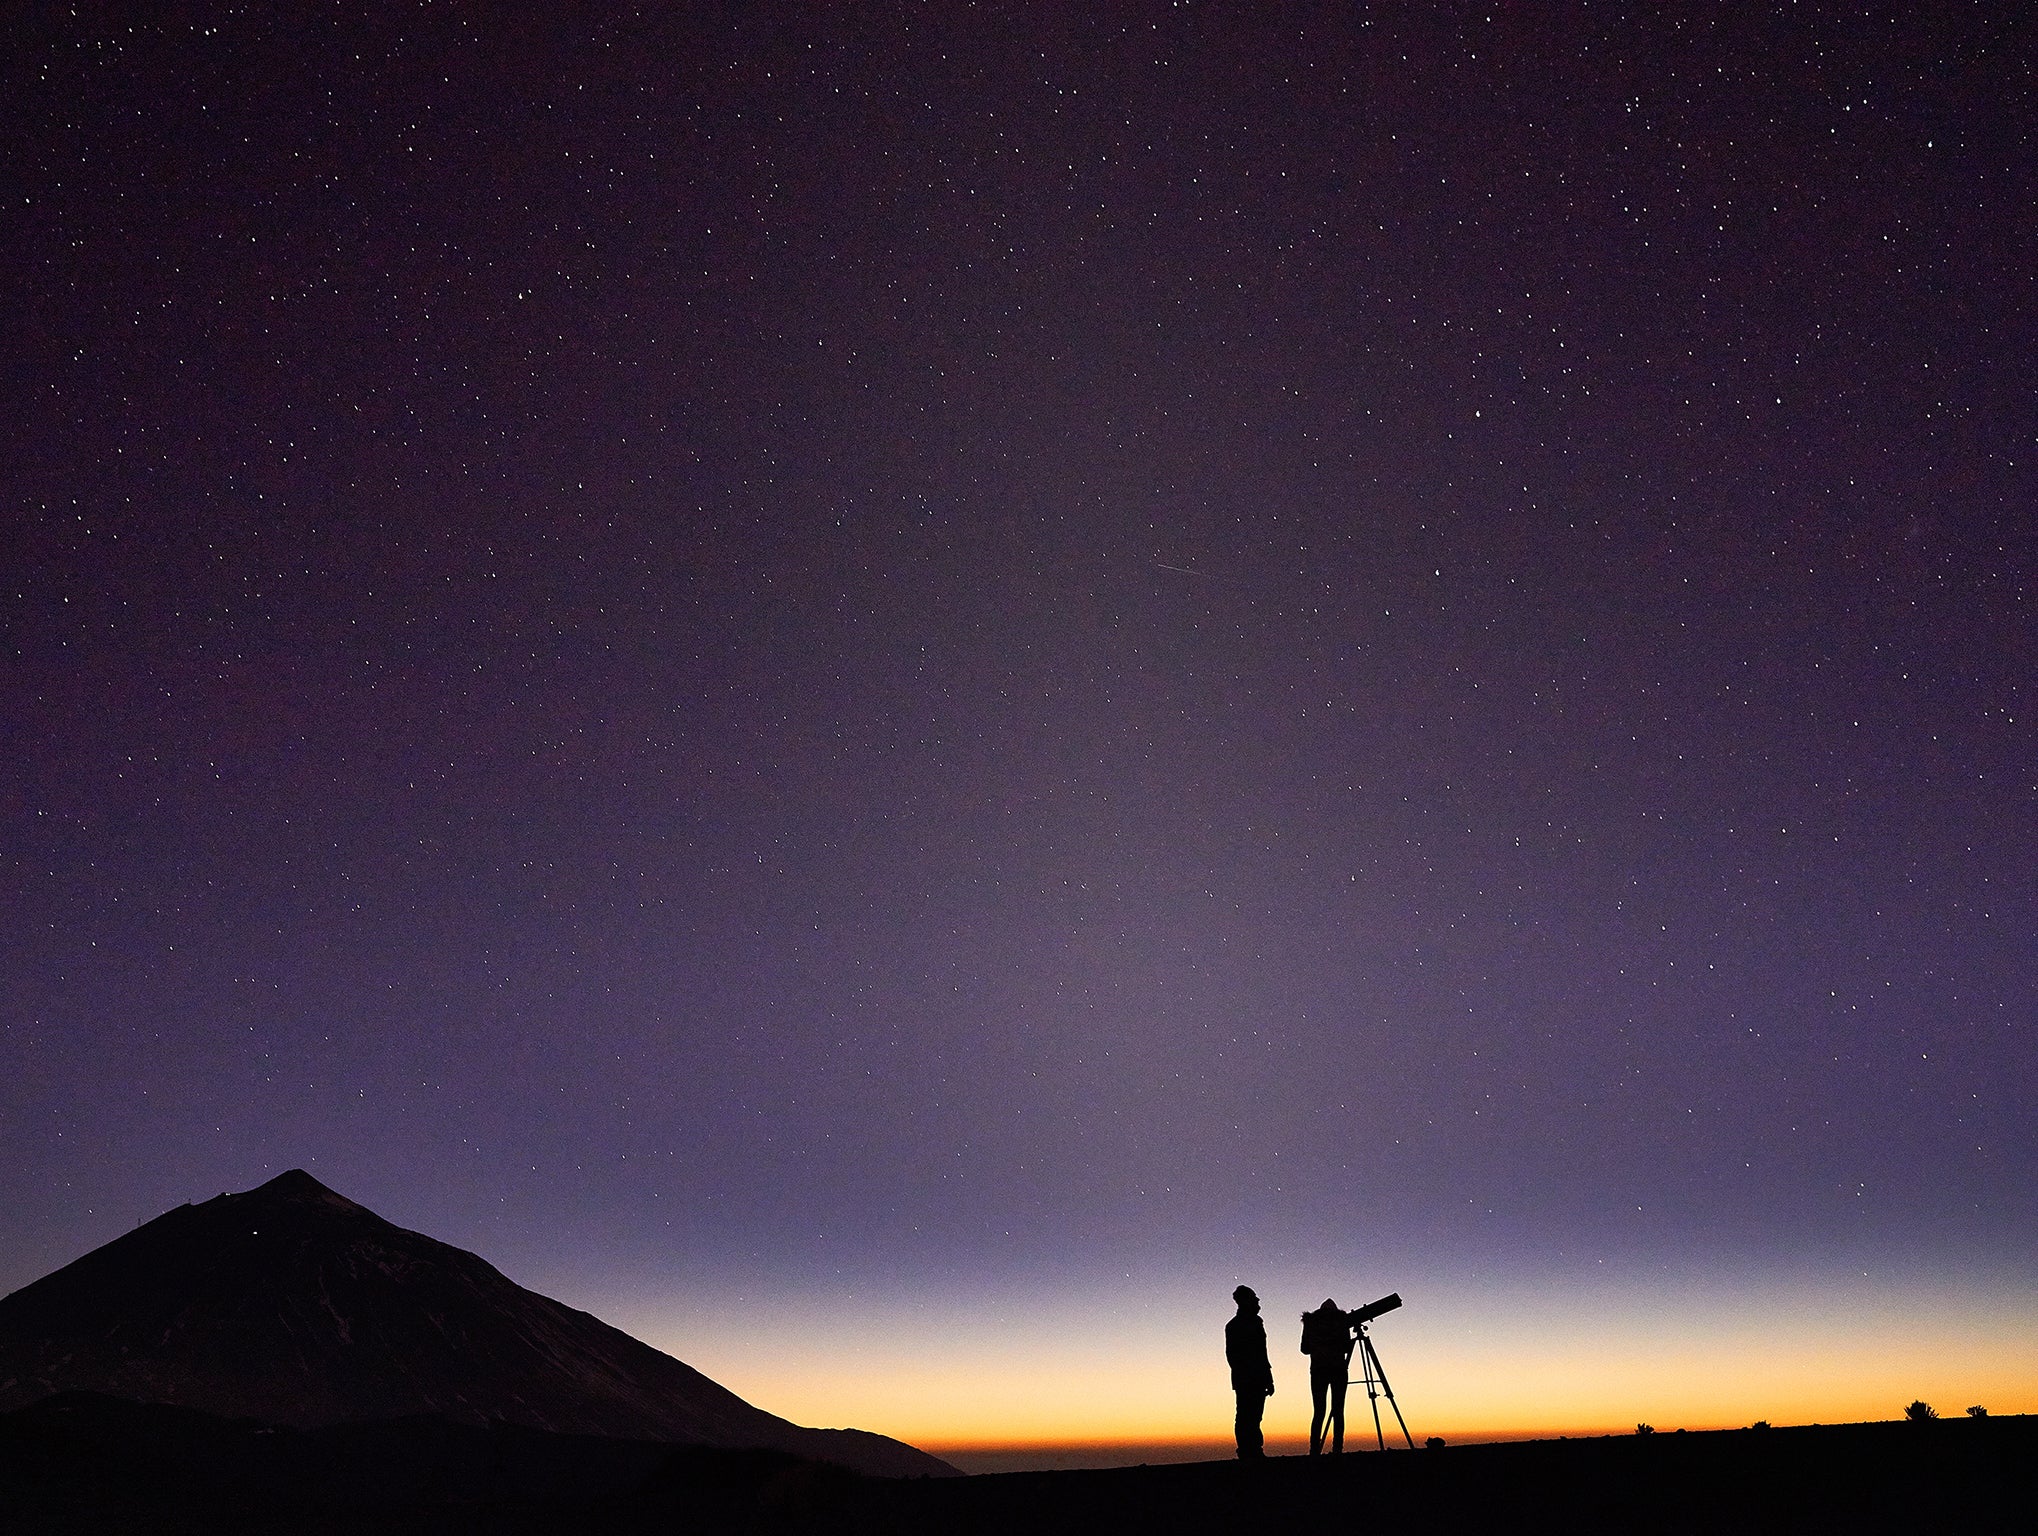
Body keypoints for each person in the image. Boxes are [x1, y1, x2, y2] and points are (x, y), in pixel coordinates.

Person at [1225, 1285, 1274, 1459]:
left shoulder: (1254, 1322)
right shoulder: (1235, 1326)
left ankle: (1253, 1450)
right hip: (1247, 1378)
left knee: (1253, 1416)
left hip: (1255, 1377)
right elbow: (1233, 1356)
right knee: (1246, 1415)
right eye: (1254, 1297)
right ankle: (1247, 1451)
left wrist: (1268, 1378)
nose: (1257, 1300)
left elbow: (1262, 1352)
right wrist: (1252, 1374)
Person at [1300, 1297, 1353, 1455]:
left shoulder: (1310, 1322)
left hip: (1318, 1370)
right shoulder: (1341, 1321)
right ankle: (1337, 1449)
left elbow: (1304, 1349)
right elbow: (1346, 1347)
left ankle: (1314, 1450)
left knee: (1318, 1412)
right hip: (1338, 1370)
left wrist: (1319, 1345)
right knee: (1339, 1410)